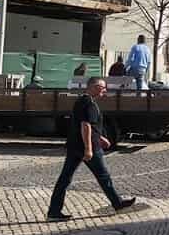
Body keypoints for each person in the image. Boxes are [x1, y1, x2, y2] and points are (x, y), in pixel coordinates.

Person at [47, 77, 137, 221]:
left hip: (75, 146)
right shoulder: (88, 103)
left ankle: (54, 211)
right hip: (87, 147)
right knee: (103, 176)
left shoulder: (82, 100)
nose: (105, 91)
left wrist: (101, 138)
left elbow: (88, 125)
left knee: (65, 179)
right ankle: (118, 203)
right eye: (103, 88)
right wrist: (89, 148)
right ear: (94, 87)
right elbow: (85, 125)